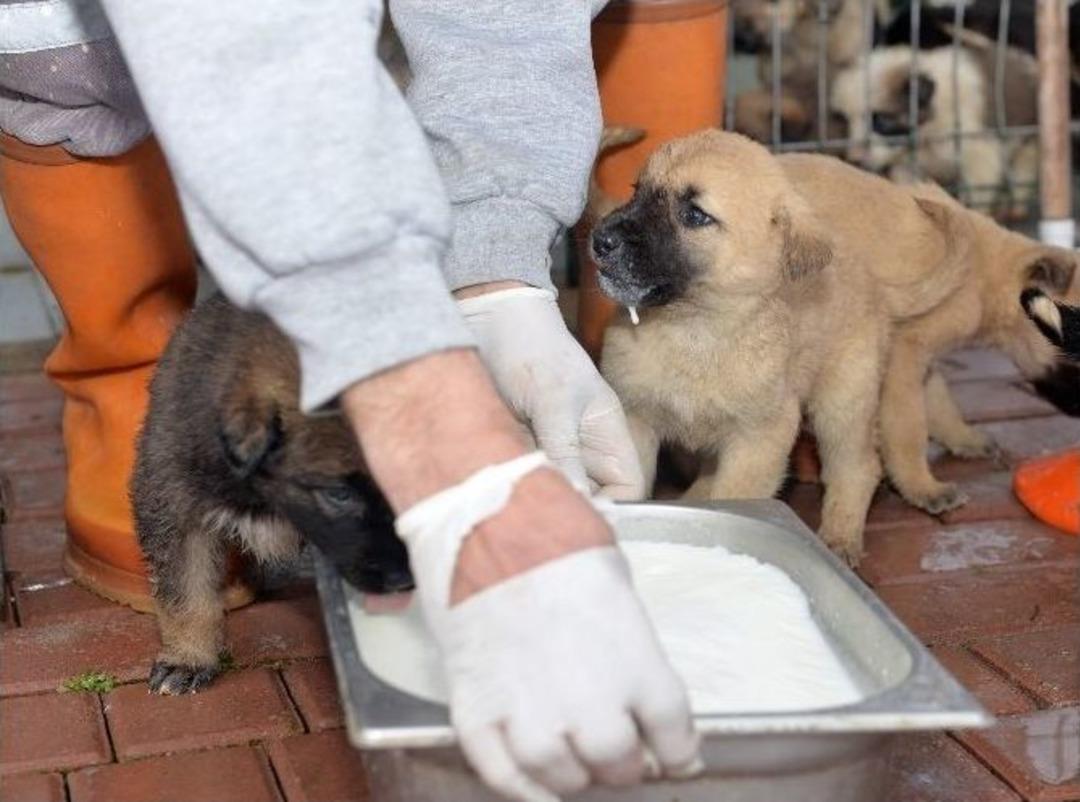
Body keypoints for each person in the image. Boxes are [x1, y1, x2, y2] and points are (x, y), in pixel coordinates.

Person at [0, 1, 701, 800]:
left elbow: (496, 19)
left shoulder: (275, 421)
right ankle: (112, 377)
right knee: (65, 70)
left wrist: (496, 273)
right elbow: (244, 41)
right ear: (247, 441)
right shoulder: (226, 427)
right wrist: (415, 399)